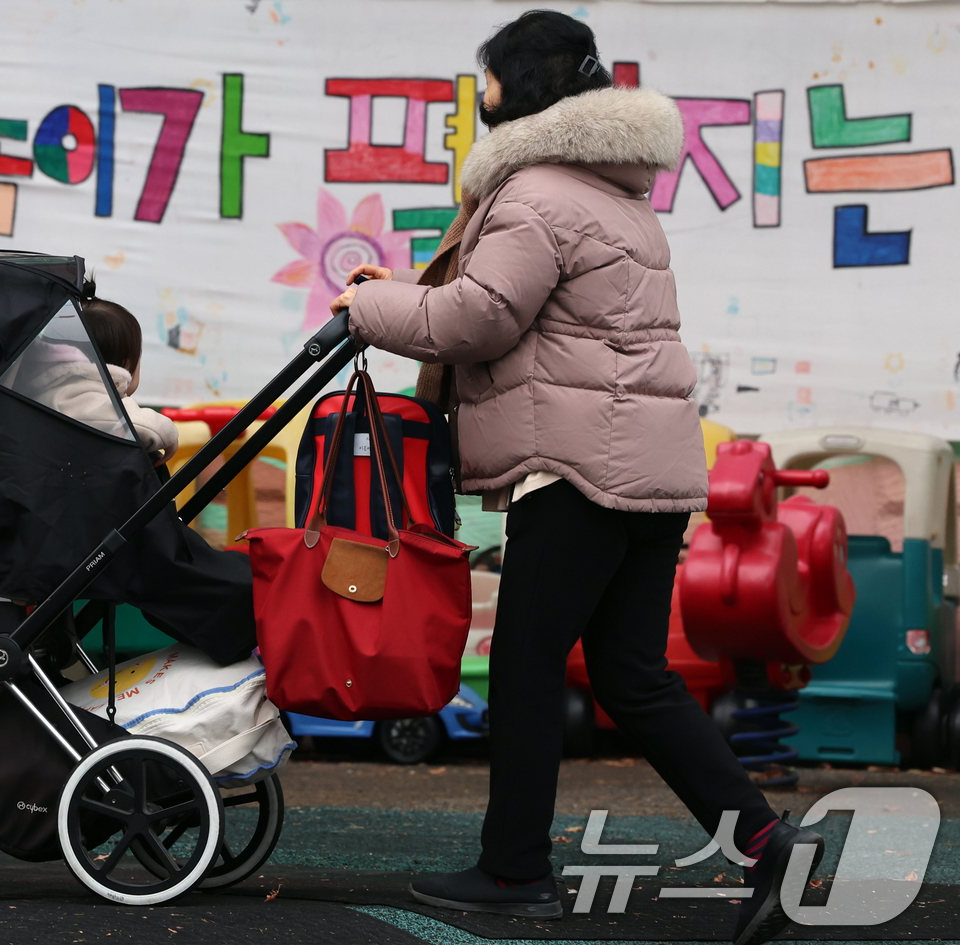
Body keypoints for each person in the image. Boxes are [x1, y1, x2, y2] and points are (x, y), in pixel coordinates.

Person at [328, 12, 823, 945]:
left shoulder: (533, 193)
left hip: (579, 471)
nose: (479, 102)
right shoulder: (617, 194)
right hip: (653, 472)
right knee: (633, 675)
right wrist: (403, 295)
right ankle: (765, 839)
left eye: (485, 86)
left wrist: (369, 308)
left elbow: (478, 321)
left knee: (522, 666)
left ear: (515, 92)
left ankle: (515, 869)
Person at [21, 280, 179, 464]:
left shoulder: (50, 386)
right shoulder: (76, 392)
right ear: (126, 365)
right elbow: (131, 423)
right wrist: (167, 434)